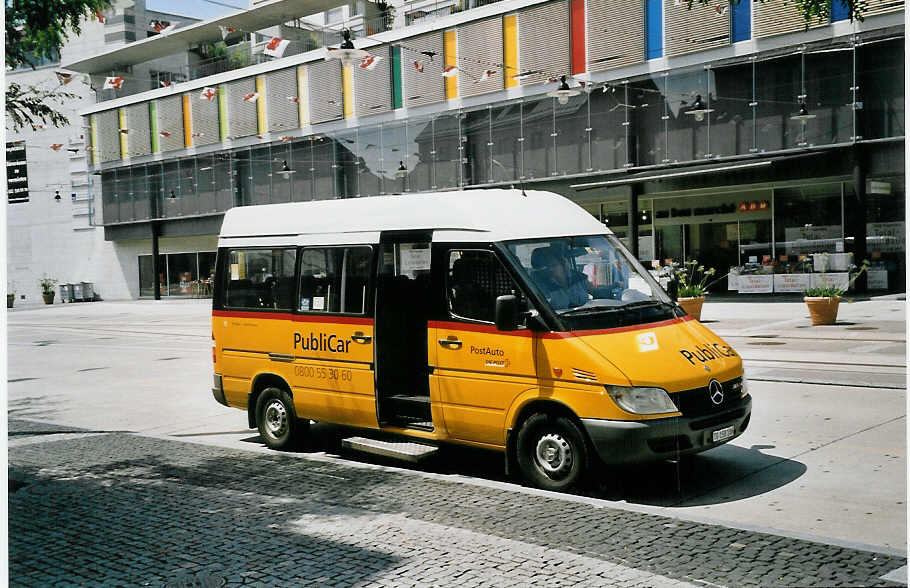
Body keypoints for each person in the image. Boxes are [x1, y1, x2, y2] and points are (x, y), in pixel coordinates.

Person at [530, 246, 595, 310]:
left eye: (553, 265)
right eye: (545, 267)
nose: (550, 269)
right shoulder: (538, 285)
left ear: (563, 264)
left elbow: (595, 293)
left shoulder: (579, 278)